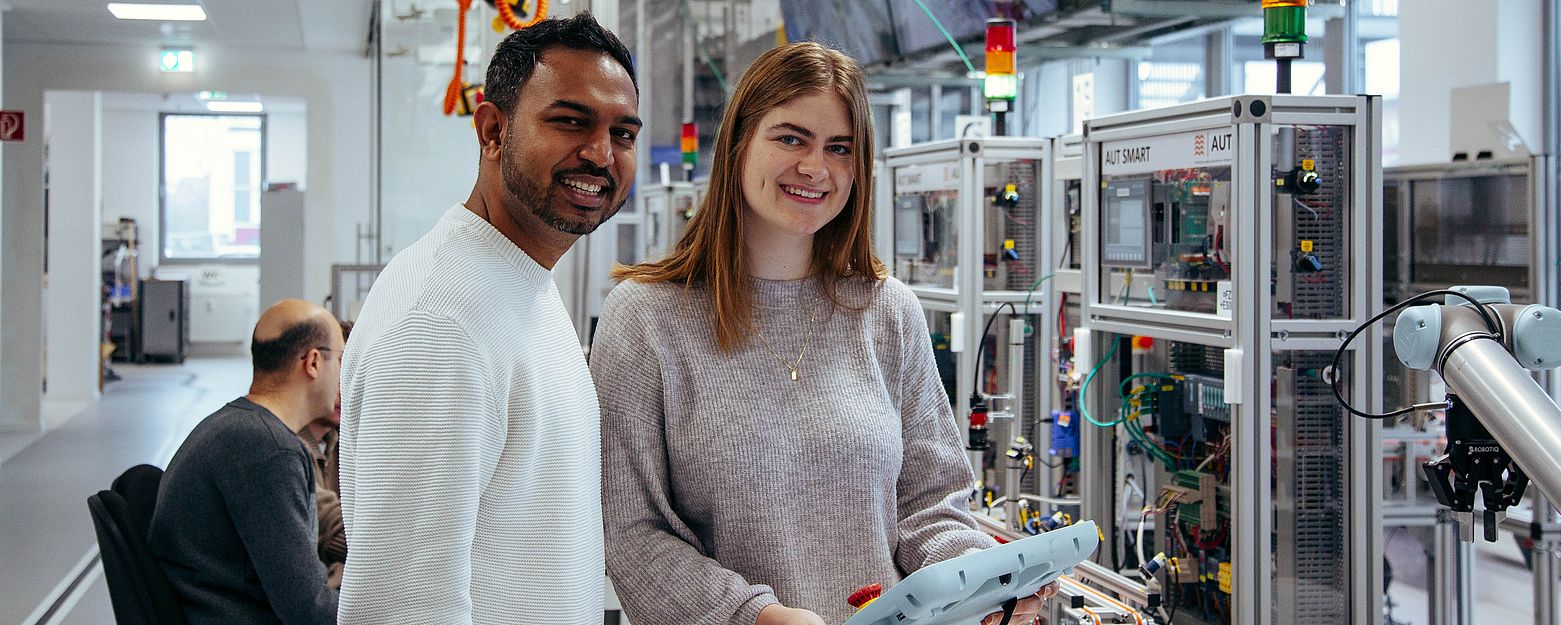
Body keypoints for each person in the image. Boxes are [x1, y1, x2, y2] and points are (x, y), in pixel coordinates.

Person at [589, 42, 1055, 625]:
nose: (816, 168)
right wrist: (754, 617)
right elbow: (631, 532)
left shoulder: (888, 311)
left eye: (840, 148)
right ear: (737, 146)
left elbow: (930, 504)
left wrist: (979, 581)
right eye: (791, 139)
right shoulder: (646, 319)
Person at [337, 12, 639, 625]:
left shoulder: (518, 280)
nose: (600, 153)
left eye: (623, 133)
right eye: (570, 121)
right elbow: (400, 605)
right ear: (494, 131)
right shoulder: (441, 322)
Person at [147, 299, 343, 625]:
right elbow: (310, 611)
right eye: (340, 361)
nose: (345, 376)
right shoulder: (269, 450)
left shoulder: (236, 427)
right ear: (312, 362)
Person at [296, 319, 351, 588]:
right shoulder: (285, 447)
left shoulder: (337, 439)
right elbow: (332, 528)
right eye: (341, 373)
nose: (347, 389)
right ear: (313, 366)